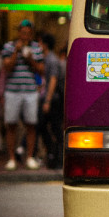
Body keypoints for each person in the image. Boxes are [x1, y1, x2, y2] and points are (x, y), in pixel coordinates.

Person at [1, 20, 44, 170]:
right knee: (11, 124)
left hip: (30, 91)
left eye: (28, 33)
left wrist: (30, 58)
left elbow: (41, 70)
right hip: (12, 91)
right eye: (23, 32)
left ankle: (30, 158)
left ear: (31, 34)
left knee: (31, 125)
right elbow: (7, 67)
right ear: (19, 32)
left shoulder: (36, 48)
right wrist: (16, 52)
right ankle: (12, 159)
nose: (25, 35)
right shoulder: (9, 46)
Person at [39, 33, 65, 169]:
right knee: (47, 127)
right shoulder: (47, 58)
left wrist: (47, 101)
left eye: (40, 42)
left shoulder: (52, 60)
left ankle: (58, 156)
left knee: (52, 128)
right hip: (50, 99)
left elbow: (53, 80)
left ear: (45, 44)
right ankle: (54, 154)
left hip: (53, 100)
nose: (38, 45)